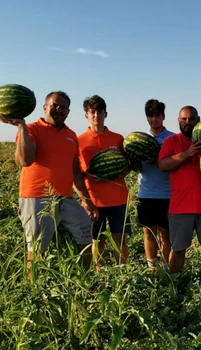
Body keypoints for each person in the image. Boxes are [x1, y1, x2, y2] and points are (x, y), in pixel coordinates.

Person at [0, 91, 98, 278]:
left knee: (85, 232)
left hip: (66, 198)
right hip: (36, 197)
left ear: (68, 112)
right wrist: (21, 126)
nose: (58, 109)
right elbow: (25, 160)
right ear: (45, 107)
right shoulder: (31, 129)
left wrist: (86, 200)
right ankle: (32, 292)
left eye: (63, 107)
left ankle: (87, 280)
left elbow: (75, 170)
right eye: (55, 105)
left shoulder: (71, 135)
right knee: (37, 248)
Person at [158, 106, 201, 285]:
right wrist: (188, 153)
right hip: (181, 206)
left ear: (198, 120)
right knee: (178, 249)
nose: (188, 122)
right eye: (184, 119)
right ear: (178, 121)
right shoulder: (172, 141)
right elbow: (163, 165)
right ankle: (175, 284)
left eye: (192, 119)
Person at [78, 95, 133, 268]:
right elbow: (76, 174)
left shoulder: (118, 139)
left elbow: (127, 164)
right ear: (86, 115)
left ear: (105, 114)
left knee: (120, 239)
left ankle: (122, 274)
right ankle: (99, 273)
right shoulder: (79, 141)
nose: (96, 115)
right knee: (97, 240)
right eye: (92, 112)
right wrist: (87, 179)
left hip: (118, 199)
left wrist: (126, 169)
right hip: (94, 201)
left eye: (99, 111)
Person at [134, 99, 174, 268]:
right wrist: (135, 158)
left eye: (157, 115)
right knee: (148, 233)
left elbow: (176, 164)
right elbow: (136, 169)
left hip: (167, 194)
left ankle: (166, 267)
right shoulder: (139, 139)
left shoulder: (172, 139)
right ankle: (152, 268)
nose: (153, 119)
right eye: (150, 116)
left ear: (163, 117)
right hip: (146, 193)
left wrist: (161, 159)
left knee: (167, 235)